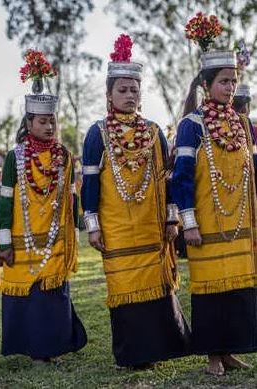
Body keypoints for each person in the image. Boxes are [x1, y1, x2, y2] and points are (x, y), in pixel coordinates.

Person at [81, 34, 191, 369]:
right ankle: (131, 355)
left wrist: (173, 219)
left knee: (157, 287)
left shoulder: (155, 130)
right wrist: (93, 226)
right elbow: (88, 184)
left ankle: (160, 349)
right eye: (122, 90)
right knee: (124, 289)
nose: (129, 95)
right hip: (115, 228)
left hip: (152, 226)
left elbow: (168, 179)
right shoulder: (97, 133)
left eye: (134, 90)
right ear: (109, 94)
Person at [172, 12, 257, 375]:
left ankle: (229, 351)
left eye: (234, 81)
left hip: (239, 223)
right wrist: (187, 222)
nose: (230, 88)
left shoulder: (240, 124)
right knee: (210, 292)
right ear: (207, 85)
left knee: (238, 292)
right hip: (205, 225)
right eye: (224, 81)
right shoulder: (192, 125)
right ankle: (211, 356)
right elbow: (181, 178)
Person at [0, 50, 87, 361]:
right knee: (28, 293)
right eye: (42, 121)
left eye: (52, 121)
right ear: (29, 122)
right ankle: (31, 349)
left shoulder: (64, 156)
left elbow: (72, 199)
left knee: (53, 294)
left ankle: (55, 347)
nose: (49, 127)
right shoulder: (15, 156)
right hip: (22, 243)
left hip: (56, 240)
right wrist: (4, 242)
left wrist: (74, 236)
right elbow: (5, 201)